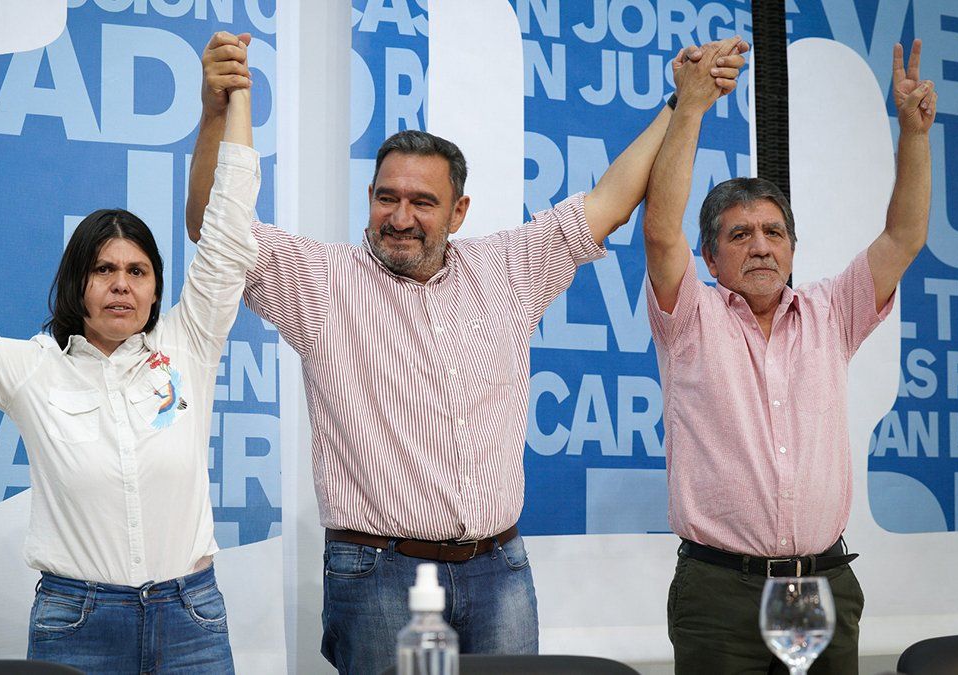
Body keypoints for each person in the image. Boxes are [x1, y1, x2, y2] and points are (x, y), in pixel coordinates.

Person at [190, 31, 748, 674]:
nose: (400, 217)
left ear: (458, 211)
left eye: (422, 202)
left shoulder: (508, 268)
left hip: (499, 571)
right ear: (369, 199)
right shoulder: (319, 280)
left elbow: (611, 201)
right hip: (378, 576)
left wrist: (679, 104)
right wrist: (215, 112)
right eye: (386, 198)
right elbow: (212, 227)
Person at [0, 76, 261, 672]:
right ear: (76, 282)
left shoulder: (191, 343)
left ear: (156, 288)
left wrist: (238, 97)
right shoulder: (33, 368)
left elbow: (229, 231)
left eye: (137, 272)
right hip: (79, 624)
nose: (121, 285)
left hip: (192, 621)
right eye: (104, 270)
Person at [641, 39, 935, 673]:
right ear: (710, 257)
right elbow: (661, 231)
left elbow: (905, 236)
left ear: (793, 249)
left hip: (823, 585)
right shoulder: (689, 316)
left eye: (774, 232)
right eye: (740, 234)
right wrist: (691, 107)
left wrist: (913, 135)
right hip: (721, 594)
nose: (761, 246)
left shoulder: (833, 312)